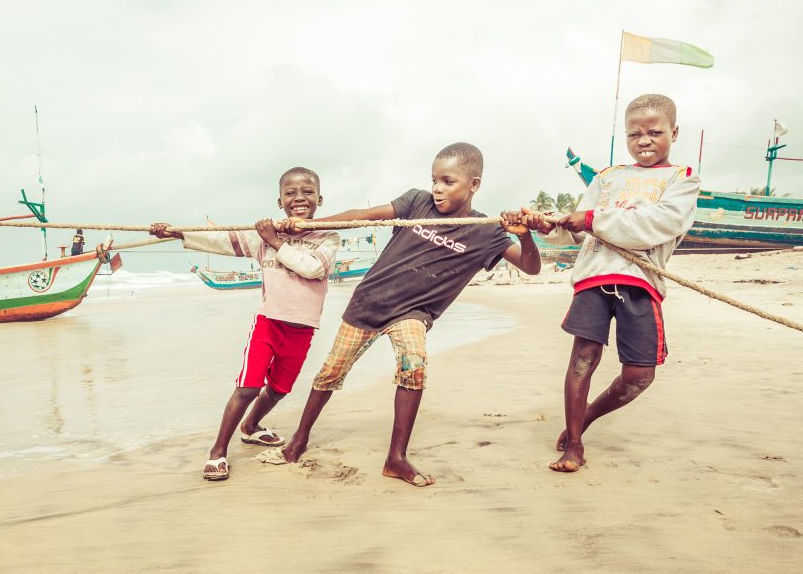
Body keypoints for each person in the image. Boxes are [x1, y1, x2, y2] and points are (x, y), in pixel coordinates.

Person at [275, 142, 542, 487]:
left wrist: (528, 236)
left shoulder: (486, 231)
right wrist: (309, 226)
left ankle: (396, 458)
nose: (437, 188)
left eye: (448, 181)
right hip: (370, 302)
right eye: (435, 179)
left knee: (413, 365)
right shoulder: (417, 202)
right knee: (330, 373)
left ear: (474, 184)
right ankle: (299, 439)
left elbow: (531, 267)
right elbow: (366, 215)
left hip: (413, 313)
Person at [526, 94, 700, 473]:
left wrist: (589, 218)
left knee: (640, 375)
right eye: (635, 133)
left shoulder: (682, 180)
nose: (644, 140)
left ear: (674, 132)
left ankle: (586, 416)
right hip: (594, 276)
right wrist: (548, 225)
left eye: (655, 132)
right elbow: (575, 232)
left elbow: (657, 225)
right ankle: (574, 444)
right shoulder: (607, 178)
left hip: (641, 281)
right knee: (583, 358)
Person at [150, 167, 340, 481]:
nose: (299, 198)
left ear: (319, 199)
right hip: (269, 322)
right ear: (280, 202)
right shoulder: (261, 237)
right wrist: (175, 232)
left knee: (278, 390)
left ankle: (251, 427)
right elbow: (221, 240)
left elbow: (312, 269)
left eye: (307, 192)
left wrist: (276, 242)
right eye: (290, 193)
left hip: (303, 327)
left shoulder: (327, 237)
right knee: (249, 386)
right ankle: (218, 451)